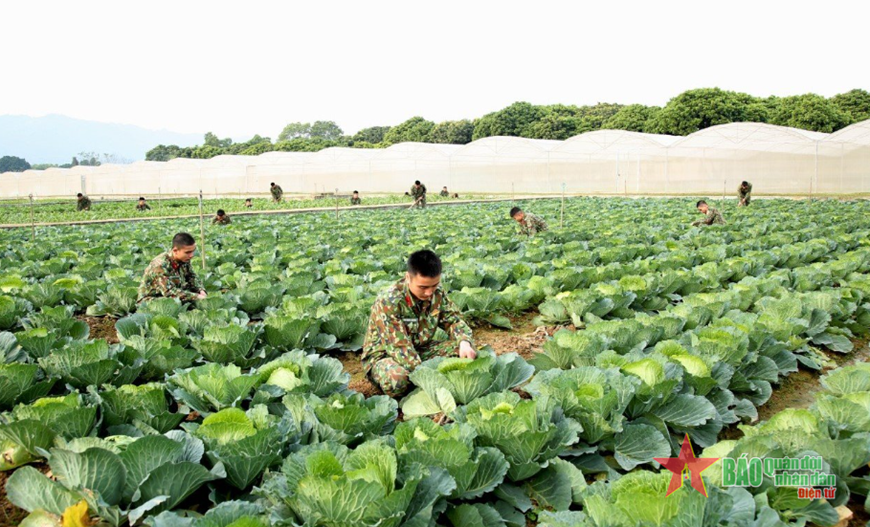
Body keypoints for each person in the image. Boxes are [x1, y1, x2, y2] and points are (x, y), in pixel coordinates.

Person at [362, 249, 476, 397]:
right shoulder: (390, 301)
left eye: (434, 285)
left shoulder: (437, 293)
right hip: (387, 356)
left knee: (465, 353)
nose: (429, 293)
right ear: (408, 278)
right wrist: (428, 379)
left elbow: (453, 320)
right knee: (398, 380)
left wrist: (464, 342)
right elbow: (399, 348)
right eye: (423, 287)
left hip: (420, 349)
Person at [137, 232, 207, 303]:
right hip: (152, 300)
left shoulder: (184, 259)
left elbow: (192, 276)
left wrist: (200, 290)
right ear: (175, 250)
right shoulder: (159, 265)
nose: (191, 255)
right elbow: (169, 292)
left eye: (193, 251)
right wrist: (196, 296)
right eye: (188, 252)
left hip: (176, 295)